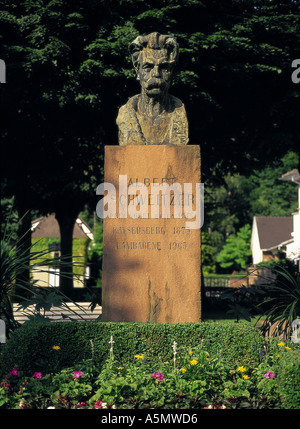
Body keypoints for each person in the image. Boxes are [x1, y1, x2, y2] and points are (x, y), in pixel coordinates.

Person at [117, 32, 189, 146]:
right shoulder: (126, 114)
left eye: (164, 67)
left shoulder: (179, 113)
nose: (156, 74)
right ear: (137, 70)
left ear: (171, 72)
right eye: (148, 67)